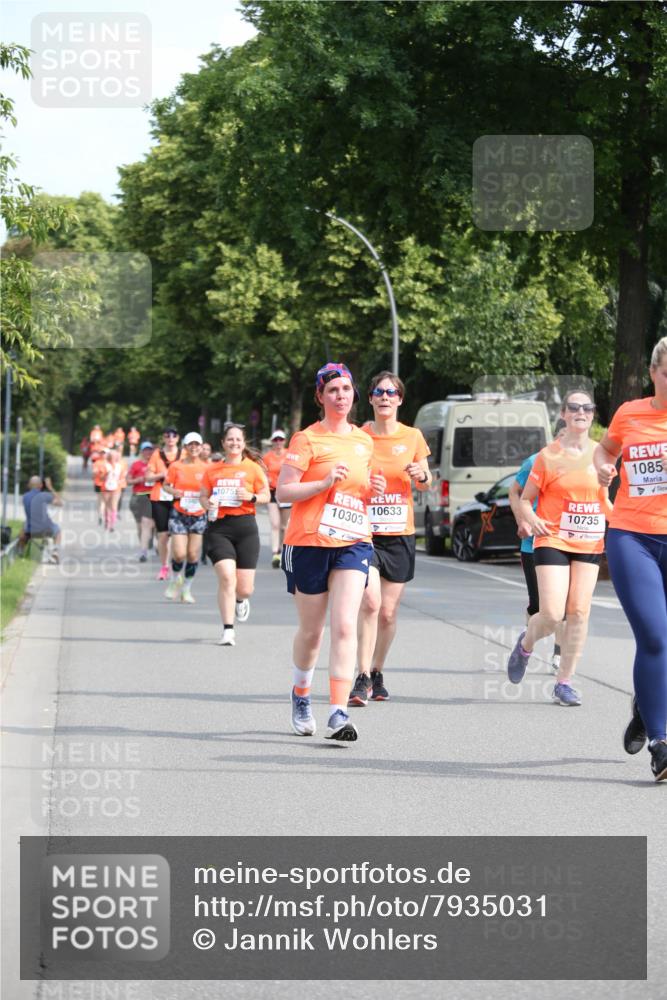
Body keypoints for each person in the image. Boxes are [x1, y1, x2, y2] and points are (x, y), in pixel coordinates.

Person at [277, 362, 384, 741]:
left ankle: (338, 712)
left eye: (346, 388)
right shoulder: (306, 440)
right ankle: (301, 694)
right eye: (333, 390)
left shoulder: (364, 440)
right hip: (308, 541)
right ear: (321, 397)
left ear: (354, 394)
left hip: (352, 540)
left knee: (344, 624)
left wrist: (373, 487)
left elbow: (360, 491)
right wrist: (322, 482)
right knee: (312, 632)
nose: (341, 395)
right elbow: (283, 492)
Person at [506, 389, 612, 706]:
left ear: (593, 414)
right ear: (564, 414)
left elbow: (604, 501)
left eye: (587, 407)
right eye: (574, 407)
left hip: (590, 538)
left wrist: (616, 516)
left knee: (578, 611)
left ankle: (564, 682)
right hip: (552, 537)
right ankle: (525, 644)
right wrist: (531, 518)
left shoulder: (603, 454)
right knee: (552, 614)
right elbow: (523, 498)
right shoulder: (548, 456)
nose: (581, 411)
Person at [594, 336, 667, 781]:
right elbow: (606, 450)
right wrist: (604, 468)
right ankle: (661, 741)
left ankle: (646, 702)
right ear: (655, 372)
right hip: (632, 536)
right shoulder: (630, 412)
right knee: (656, 637)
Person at [349, 372, 431, 706]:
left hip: (399, 533)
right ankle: (361, 675)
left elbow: (426, 481)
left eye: (392, 392)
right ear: (369, 398)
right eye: (378, 392)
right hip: (363, 532)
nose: (385, 397)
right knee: (370, 603)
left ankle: (377, 671)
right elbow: (349, 479)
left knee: (388, 613)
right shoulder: (359, 436)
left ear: (399, 399)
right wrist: (368, 483)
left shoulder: (412, 437)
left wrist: (420, 474)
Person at [200, 424, 270, 644]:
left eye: (238, 440)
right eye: (230, 439)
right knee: (227, 578)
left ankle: (241, 600)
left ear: (243, 443)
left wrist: (250, 497)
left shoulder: (253, 468)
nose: (234, 443)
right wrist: (207, 502)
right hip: (219, 528)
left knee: (245, 588)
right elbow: (203, 496)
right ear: (223, 443)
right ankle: (228, 630)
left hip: (246, 528)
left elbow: (266, 495)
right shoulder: (212, 470)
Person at [508, 419, 567, 673]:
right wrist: (522, 520)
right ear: (555, 436)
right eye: (563, 435)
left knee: (563, 608)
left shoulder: (583, 463)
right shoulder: (536, 460)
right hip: (533, 545)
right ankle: (527, 641)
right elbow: (514, 492)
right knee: (538, 607)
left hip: (566, 542)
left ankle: (558, 655)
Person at [162, 432, 208, 603]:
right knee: (180, 554)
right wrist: (174, 491)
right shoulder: (176, 466)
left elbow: (212, 488)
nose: (194, 447)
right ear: (185, 447)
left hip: (199, 514)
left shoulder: (207, 468)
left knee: (193, 555)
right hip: (179, 512)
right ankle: (175, 580)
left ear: (202, 447)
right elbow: (166, 485)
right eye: (191, 444)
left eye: (197, 444)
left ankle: (187, 589)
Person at [146, 427, 181, 581]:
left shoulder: (184, 454)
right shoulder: (157, 455)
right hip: (159, 496)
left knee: (176, 533)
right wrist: (162, 474)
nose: (171, 438)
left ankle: (176, 563)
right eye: (167, 436)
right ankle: (164, 566)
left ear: (178, 438)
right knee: (163, 534)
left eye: (174, 435)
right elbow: (148, 476)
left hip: (178, 495)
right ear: (164, 438)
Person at [263, 429, 291, 568]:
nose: (278, 442)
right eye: (275, 440)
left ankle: (282, 551)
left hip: (286, 491)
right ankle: (275, 552)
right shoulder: (267, 457)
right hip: (272, 491)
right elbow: (262, 473)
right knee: (275, 524)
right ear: (272, 442)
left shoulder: (289, 454)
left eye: (281, 440)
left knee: (284, 526)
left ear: (284, 441)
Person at [21, 476, 63, 562]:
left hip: (30, 531)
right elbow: (60, 503)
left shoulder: (25, 497)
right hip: (45, 529)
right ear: (40, 485)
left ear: (29, 485)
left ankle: (20, 553)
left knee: (23, 528)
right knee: (58, 531)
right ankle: (55, 552)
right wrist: (50, 487)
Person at [127, 442, 155, 561]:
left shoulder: (155, 465)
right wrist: (137, 480)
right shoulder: (136, 465)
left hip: (151, 496)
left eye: (150, 450)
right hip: (137, 497)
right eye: (145, 450)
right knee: (140, 526)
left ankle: (144, 550)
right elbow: (128, 480)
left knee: (147, 523)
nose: (148, 452)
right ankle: (145, 543)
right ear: (142, 451)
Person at [100, 448, 127, 532]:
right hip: (106, 487)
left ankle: (112, 524)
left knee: (114, 506)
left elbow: (123, 477)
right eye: (111, 456)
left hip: (116, 488)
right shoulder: (104, 465)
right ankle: (107, 522)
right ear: (109, 457)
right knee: (107, 505)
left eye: (115, 456)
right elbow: (101, 477)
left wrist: (120, 481)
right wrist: (107, 474)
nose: (113, 458)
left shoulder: (120, 466)